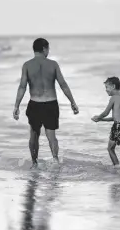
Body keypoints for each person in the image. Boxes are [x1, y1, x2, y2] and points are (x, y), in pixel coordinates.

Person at [13, 38, 79, 168]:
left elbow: (22, 87)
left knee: (34, 135)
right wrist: (73, 102)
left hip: (35, 104)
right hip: (50, 104)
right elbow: (63, 85)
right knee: (51, 135)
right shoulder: (53, 64)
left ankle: (34, 163)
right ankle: (55, 161)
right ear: (44, 49)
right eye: (48, 49)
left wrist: (16, 106)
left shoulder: (27, 65)